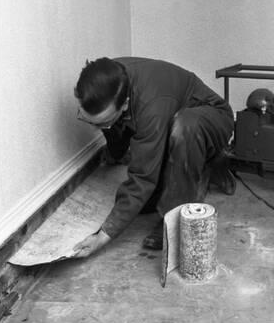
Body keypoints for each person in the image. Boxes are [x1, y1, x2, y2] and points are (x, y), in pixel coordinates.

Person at [72, 56, 235, 258]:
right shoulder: (106, 80)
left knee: (185, 126)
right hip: (169, 118)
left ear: (125, 105)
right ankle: (195, 168)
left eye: (102, 123)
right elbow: (116, 128)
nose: (97, 128)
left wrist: (104, 236)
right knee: (139, 203)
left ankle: (174, 217)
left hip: (212, 118)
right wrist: (115, 152)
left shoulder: (150, 105)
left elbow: (142, 177)